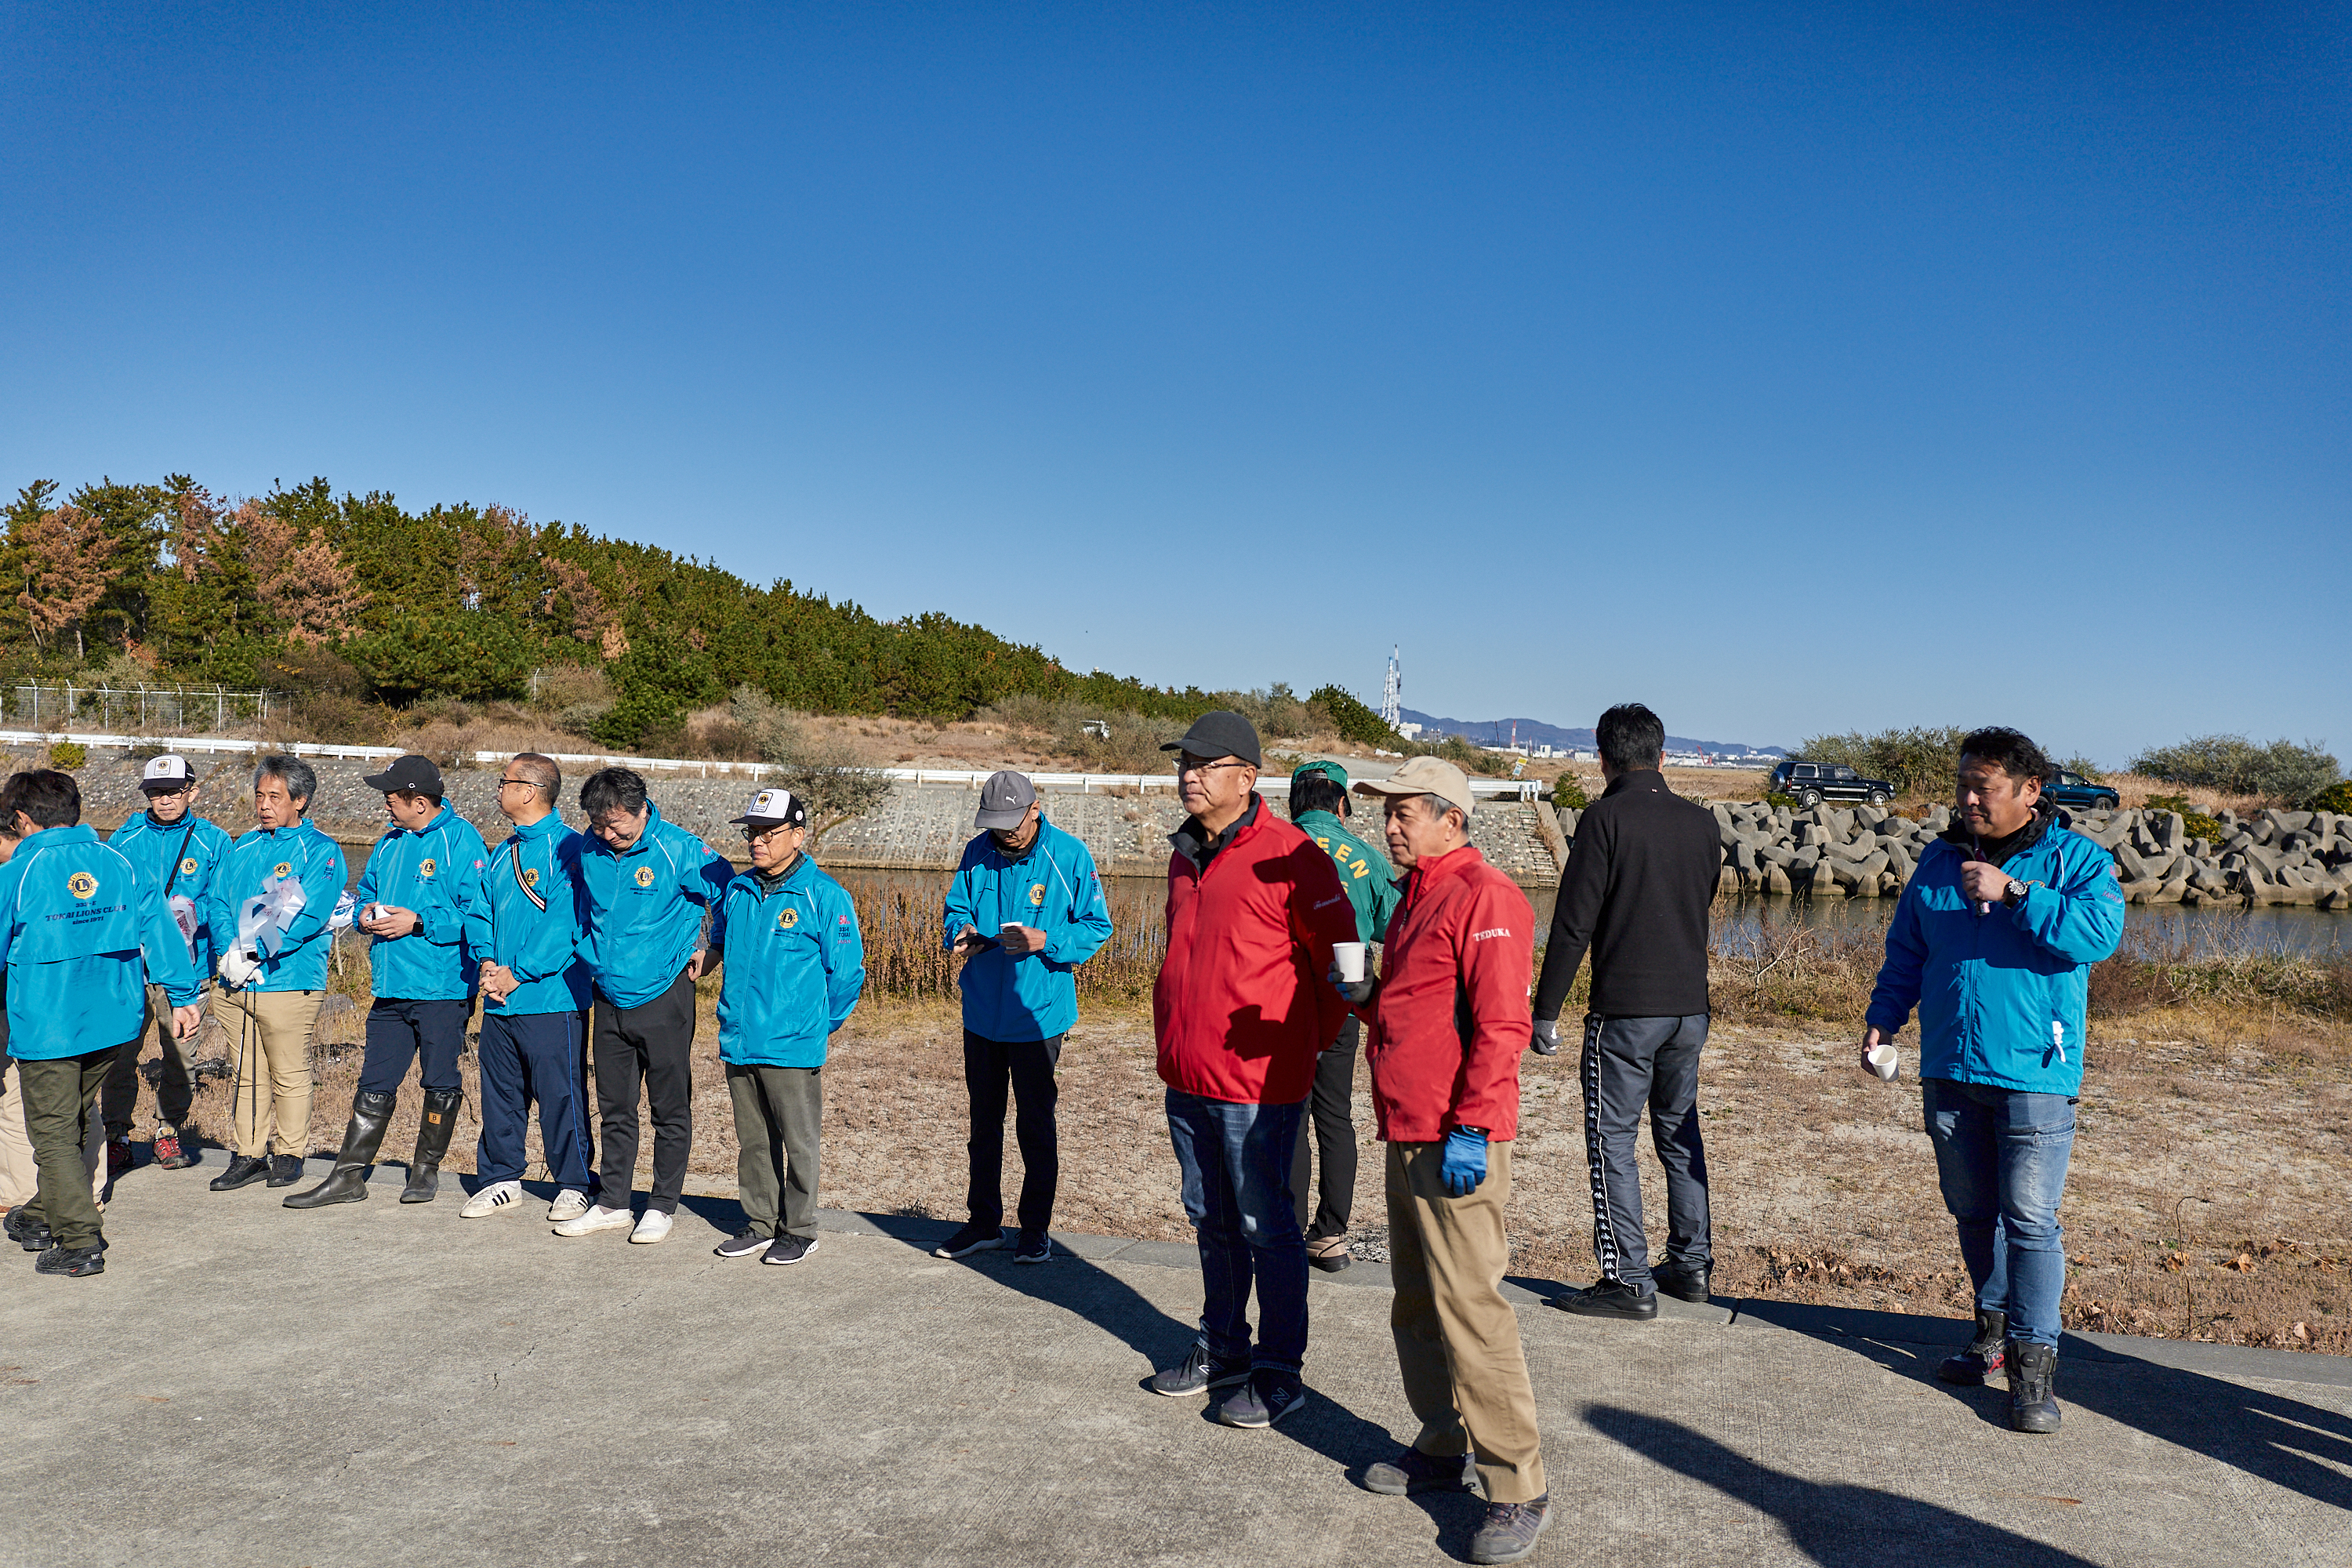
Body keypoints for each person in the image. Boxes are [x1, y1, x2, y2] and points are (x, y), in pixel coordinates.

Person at [1862, 727, 2123, 1435]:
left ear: (2030, 791)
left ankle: (2034, 1370)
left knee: (2031, 1222)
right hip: (1950, 1067)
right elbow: (1906, 951)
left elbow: (2099, 937)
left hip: (2036, 1072)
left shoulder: (2078, 861)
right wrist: (1883, 1020)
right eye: (1964, 785)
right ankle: (1993, 1336)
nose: (1969, 799)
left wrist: (2016, 893)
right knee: (1973, 1211)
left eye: (1986, 787)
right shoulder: (1940, 862)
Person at [1338, 756, 1549, 1567]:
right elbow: (1416, 1006)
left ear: (1450, 818)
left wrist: (1475, 1124)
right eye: (1387, 811)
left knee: (1472, 1309)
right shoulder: (1415, 895)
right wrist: (1362, 996)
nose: (1390, 824)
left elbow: (1502, 1026)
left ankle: (1518, 1485)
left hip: (1456, 1136)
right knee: (1417, 1301)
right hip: (1407, 1127)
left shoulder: (1486, 896)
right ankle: (1439, 1440)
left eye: (1404, 811)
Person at [1145, 711, 1356, 1430]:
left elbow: (1339, 968)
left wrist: (1301, 1049)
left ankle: (1278, 1367)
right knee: (1210, 1219)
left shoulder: (1295, 856)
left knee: (1270, 1226)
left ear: (1248, 776)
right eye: (1184, 765)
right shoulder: (1183, 854)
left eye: (1206, 765)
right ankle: (1225, 1346)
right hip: (1187, 1074)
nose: (1190, 776)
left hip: (1259, 1085)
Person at [1530, 703, 1722, 1321]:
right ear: (1662, 756)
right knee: (1677, 1131)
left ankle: (1628, 1279)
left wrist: (1545, 1010)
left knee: (1611, 1137)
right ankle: (1691, 1265)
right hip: (1690, 1008)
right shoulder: (1702, 824)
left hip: (1626, 1011)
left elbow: (1573, 923)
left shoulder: (1604, 818)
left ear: (1603, 757)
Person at [0, 770, 202, 1276]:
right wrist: (182, 996)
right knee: (71, 1118)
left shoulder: (16, 876)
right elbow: (159, 929)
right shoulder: (122, 863)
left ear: (21, 819)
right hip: (114, 1021)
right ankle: (41, 1214)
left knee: (50, 1129)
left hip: (49, 1024)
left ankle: (79, 1241)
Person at [286, 756, 488, 1209]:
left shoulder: (463, 841)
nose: (385, 806)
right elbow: (369, 890)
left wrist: (418, 922)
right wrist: (363, 913)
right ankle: (348, 1176)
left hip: (443, 988)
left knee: (439, 1079)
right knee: (374, 1081)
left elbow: (478, 916)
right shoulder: (389, 842)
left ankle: (425, 1170)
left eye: (391, 798)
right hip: (390, 985)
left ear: (419, 801)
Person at [931, 771, 1112, 1265]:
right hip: (982, 1013)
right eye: (995, 824)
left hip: (1039, 1017)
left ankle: (1035, 1229)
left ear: (1035, 809)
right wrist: (959, 933)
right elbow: (954, 909)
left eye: (1012, 822)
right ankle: (983, 1223)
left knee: (1036, 1125)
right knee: (983, 1125)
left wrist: (1045, 941)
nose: (1004, 833)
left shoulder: (1069, 856)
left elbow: (1098, 927)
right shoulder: (977, 852)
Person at [555, 767, 731, 1244]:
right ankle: (612, 1201)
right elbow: (575, 908)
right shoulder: (589, 849)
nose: (609, 835)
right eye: (599, 826)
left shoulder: (681, 850)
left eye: (618, 825)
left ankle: (661, 1205)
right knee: (615, 1107)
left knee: (669, 1108)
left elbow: (729, 896)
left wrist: (713, 949)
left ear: (642, 809)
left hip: (664, 995)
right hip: (607, 995)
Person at [705, 789, 866, 1265]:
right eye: (752, 832)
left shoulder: (824, 895)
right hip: (740, 1037)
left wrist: (815, 1024)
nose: (757, 842)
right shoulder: (738, 890)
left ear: (798, 835)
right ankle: (759, 1223)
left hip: (792, 1044)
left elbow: (847, 972)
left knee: (799, 1142)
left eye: (769, 833)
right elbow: (722, 941)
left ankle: (798, 1229)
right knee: (753, 1141)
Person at [460, 753, 597, 1223]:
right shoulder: (503, 851)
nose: (498, 789)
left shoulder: (572, 850)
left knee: (561, 1095)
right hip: (499, 1001)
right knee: (501, 1092)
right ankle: (501, 1178)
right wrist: (488, 962)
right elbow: (481, 912)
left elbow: (567, 924)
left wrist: (519, 972)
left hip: (552, 998)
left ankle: (575, 1184)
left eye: (506, 781)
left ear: (531, 790)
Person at [205, 756, 348, 1193]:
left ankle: (289, 1154)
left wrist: (254, 952)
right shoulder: (242, 846)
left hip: (287, 980)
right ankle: (249, 1153)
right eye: (260, 796)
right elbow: (217, 903)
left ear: (300, 801)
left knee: (288, 1071)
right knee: (246, 1071)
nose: (264, 805)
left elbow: (307, 915)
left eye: (275, 797)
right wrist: (230, 951)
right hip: (233, 981)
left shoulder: (320, 850)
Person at [1283, 759, 1398, 1273]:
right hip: (1345, 992)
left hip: (1279, 1000)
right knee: (1334, 1114)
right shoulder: (1368, 858)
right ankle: (1330, 1235)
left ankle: (1284, 1230)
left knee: (1288, 1114)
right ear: (1342, 804)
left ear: (1293, 801)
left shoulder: (1273, 850)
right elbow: (1396, 928)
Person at [100, 754, 231, 1174]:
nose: (165, 800)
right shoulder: (124, 838)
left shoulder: (214, 840)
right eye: (156, 793)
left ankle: (168, 1128)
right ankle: (115, 1132)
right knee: (121, 1054)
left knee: (180, 1054)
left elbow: (224, 900)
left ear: (192, 791)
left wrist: (195, 916)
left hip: (189, 969)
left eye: (173, 791)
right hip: (131, 970)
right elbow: (107, 901)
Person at [0, 778, 107, 1226]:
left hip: (33, 1004)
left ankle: (38, 1204)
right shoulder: (108, 861)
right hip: (98, 1010)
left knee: (27, 1105)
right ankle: (88, 1185)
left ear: (19, 825)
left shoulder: (21, 872)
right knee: (78, 1105)